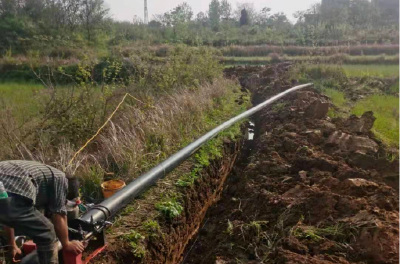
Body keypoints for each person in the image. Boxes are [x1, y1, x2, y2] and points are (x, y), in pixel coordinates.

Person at [0, 160, 85, 264]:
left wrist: (12, 244)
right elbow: (59, 215)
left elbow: (8, 214)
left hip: (6, 184)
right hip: (13, 187)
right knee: (47, 232)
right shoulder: (60, 179)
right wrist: (66, 244)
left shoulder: (43, 183)